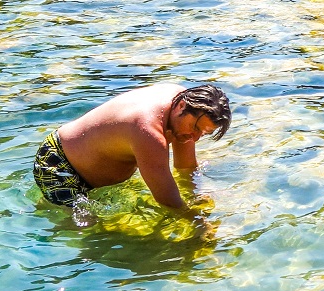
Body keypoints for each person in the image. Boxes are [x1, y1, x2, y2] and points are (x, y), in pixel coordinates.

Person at [34, 83, 231, 213]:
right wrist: (197, 222)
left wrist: (196, 197)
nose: (194, 138)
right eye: (195, 128)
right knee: (92, 234)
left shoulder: (187, 107)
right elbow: (168, 201)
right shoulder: (148, 130)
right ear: (181, 106)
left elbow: (186, 168)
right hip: (59, 165)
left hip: (92, 171)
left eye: (203, 134)